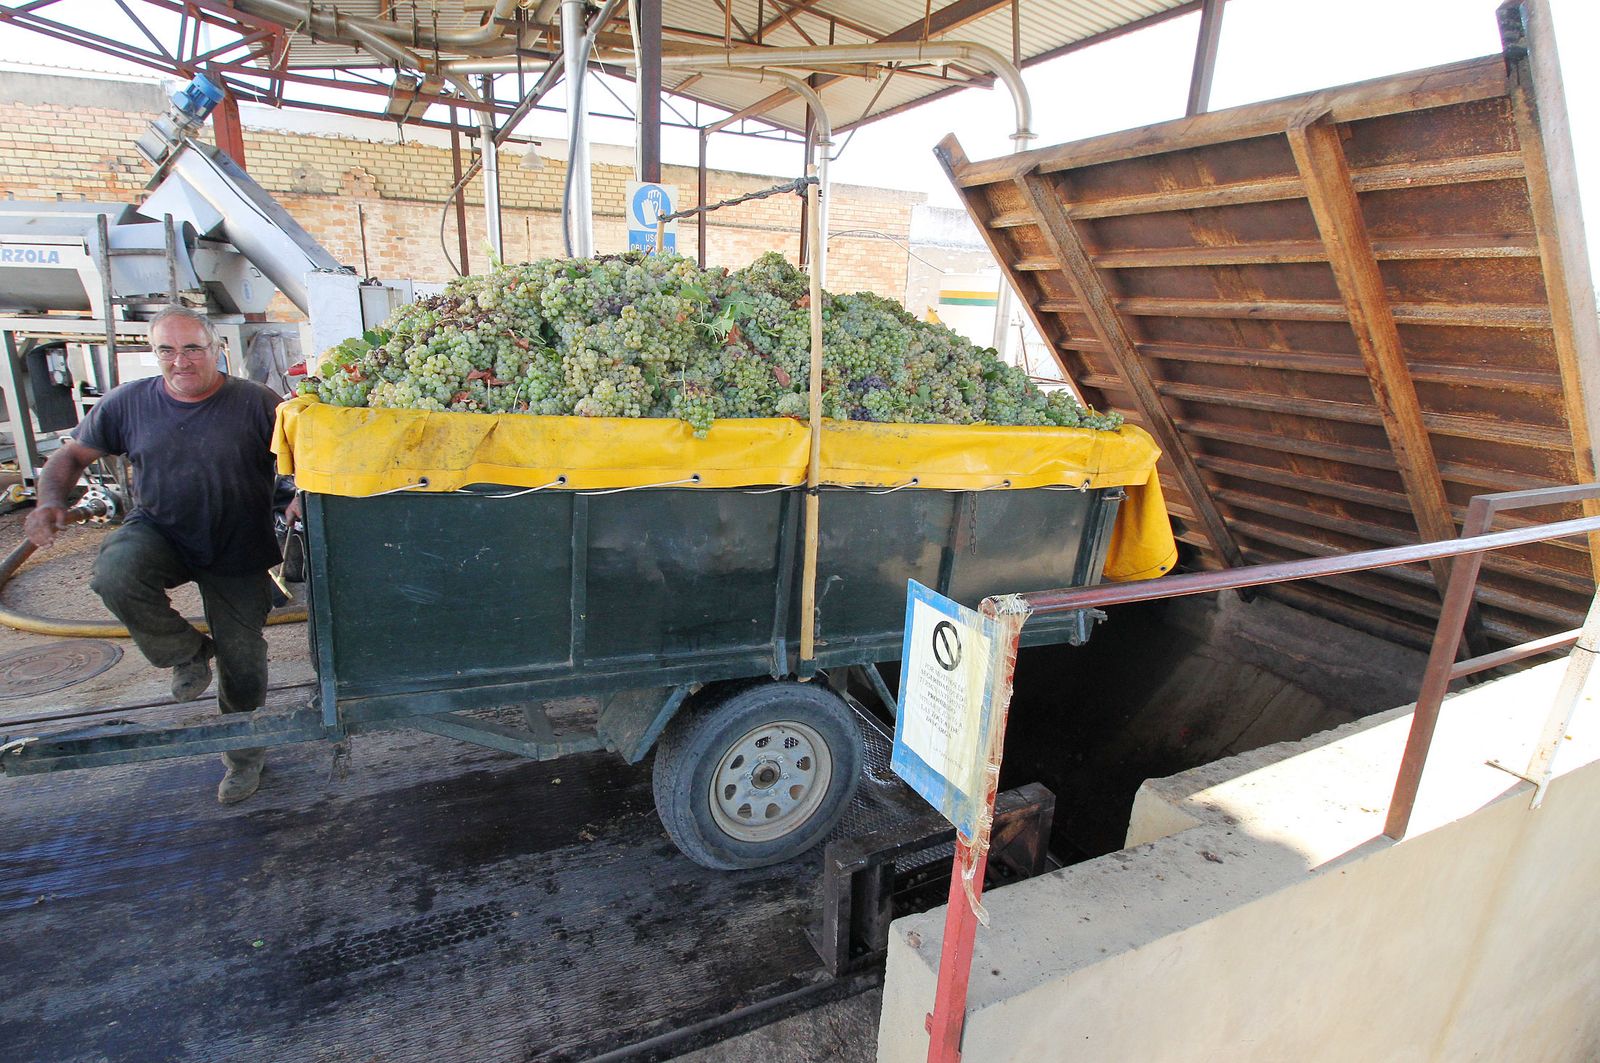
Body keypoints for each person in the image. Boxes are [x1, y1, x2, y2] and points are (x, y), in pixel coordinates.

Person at [23, 305, 286, 805]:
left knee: (244, 665)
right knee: (114, 572)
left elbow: (307, 456)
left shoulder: (256, 403)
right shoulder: (127, 403)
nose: (180, 361)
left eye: (192, 348)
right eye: (167, 349)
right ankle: (187, 653)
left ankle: (243, 757)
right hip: (160, 530)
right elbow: (71, 456)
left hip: (237, 542)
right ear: (154, 353)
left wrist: (300, 494)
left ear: (216, 350)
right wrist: (51, 502)